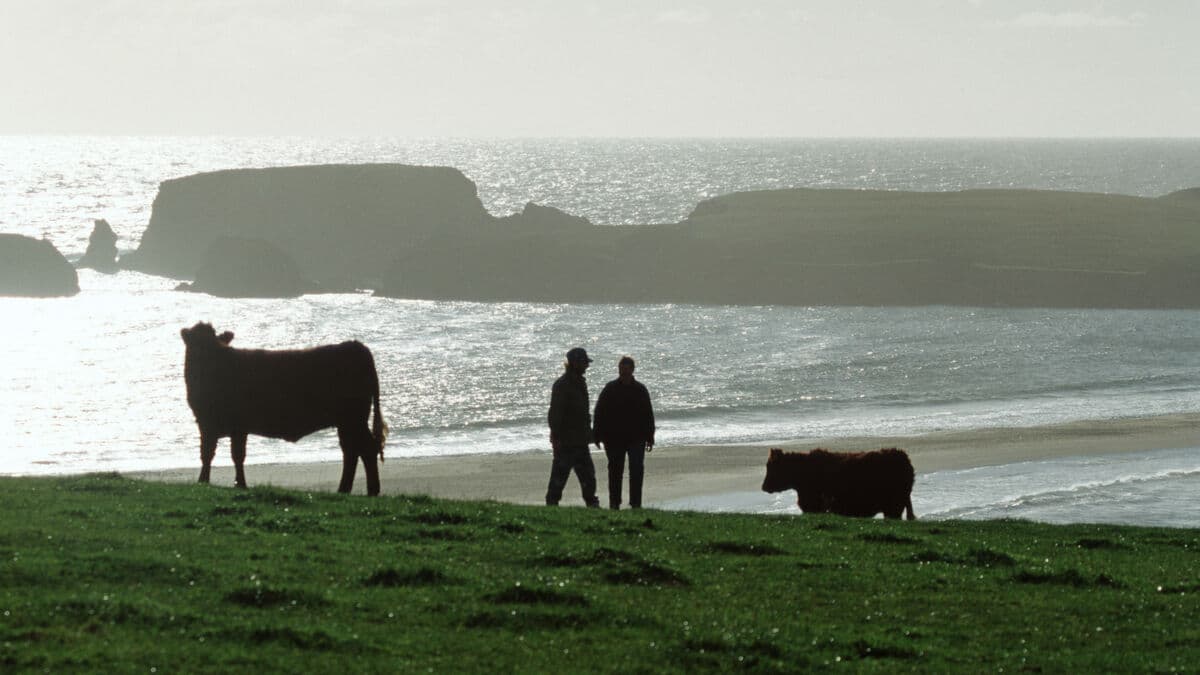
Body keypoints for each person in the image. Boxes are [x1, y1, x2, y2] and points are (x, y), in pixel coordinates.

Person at [592, 355, 656, 509]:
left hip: (637, 438)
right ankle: (615, 503)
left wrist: (650, 436)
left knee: (636, 471)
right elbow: (599, 412)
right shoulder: (610, 388)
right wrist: (597, 435)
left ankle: (636, 503)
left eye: (627, 369)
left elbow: (648, 414)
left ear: (632, 370)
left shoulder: (640, 390)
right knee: (615, 471)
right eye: (621, 368)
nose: (624, 371)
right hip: (614, 438)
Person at [545, 347, 600, 507]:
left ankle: (592, 505)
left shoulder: (579, 383)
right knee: (558, 482)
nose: (587, 366)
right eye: (584, 363)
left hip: (580, 441)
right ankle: (551, 507)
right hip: (566, 443)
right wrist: (556, 437)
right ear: (575, 363)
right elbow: (555, 415)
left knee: (589, 479)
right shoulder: (563, 385)